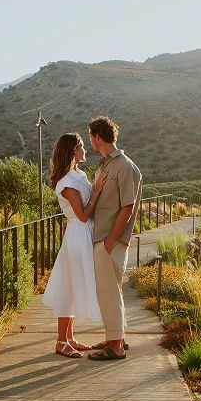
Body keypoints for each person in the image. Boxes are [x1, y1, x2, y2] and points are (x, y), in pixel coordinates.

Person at [42, 132, 108, 358]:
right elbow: (81, 215)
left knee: (71, 286)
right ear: (72, 151)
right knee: (68, 288)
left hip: (82, 233)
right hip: (78, 235)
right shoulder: (67, 182)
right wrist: (97, 192)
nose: (85, 150)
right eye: (81, 147)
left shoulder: (77, 175)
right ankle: (61, 341)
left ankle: (69, 338)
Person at [86, 116, 141, 361]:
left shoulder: (124, 166)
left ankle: (116, 346)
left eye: (90, 136)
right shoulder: (104, 165)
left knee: (109, 292)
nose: (90, 141)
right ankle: (115, 337)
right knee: (110, 292)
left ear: (98, 136)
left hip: (111, 241)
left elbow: (127, 208)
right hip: (103, 238)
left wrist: (110, 241)